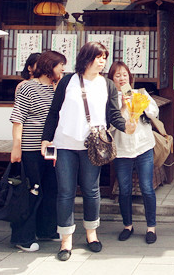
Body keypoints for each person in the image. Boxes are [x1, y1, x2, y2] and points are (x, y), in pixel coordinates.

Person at [41, 42, 136, 261]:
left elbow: (113, 115)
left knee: (92, 190)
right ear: (86, 58)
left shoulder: (107, 85)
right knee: (65, 192)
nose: (103, 61)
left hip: (93, 145)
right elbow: (54, 112)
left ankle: (91, 234)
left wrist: (126, 126)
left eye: (104, 57)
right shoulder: (68, 81)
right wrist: (46, 138)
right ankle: (66, 240)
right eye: (98, 57)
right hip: (65, 143)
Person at [9, 49, 67, 252]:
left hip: (50, 148)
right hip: (30, 149)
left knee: (50, 189)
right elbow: (18, 119)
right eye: (60, 66)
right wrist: (16, 148)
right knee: (31, 191)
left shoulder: (56, 88)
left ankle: (46, 229)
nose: (63, 70)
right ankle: (22, 237)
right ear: (50, 66)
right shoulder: (28, 87)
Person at [108, 61, 159, 244]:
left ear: (130, 77)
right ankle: (127, 225)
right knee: (124, 189)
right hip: (122, 150)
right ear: (112, 79)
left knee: (147, 188)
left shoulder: (140, 93)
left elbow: (154, 112)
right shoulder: (110, 99)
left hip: (143, 146)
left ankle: (151, 227)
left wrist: (140, 105)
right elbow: (109, 127)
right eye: (117, 75)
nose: (122, 78)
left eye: (124, 75)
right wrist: (122, 107)